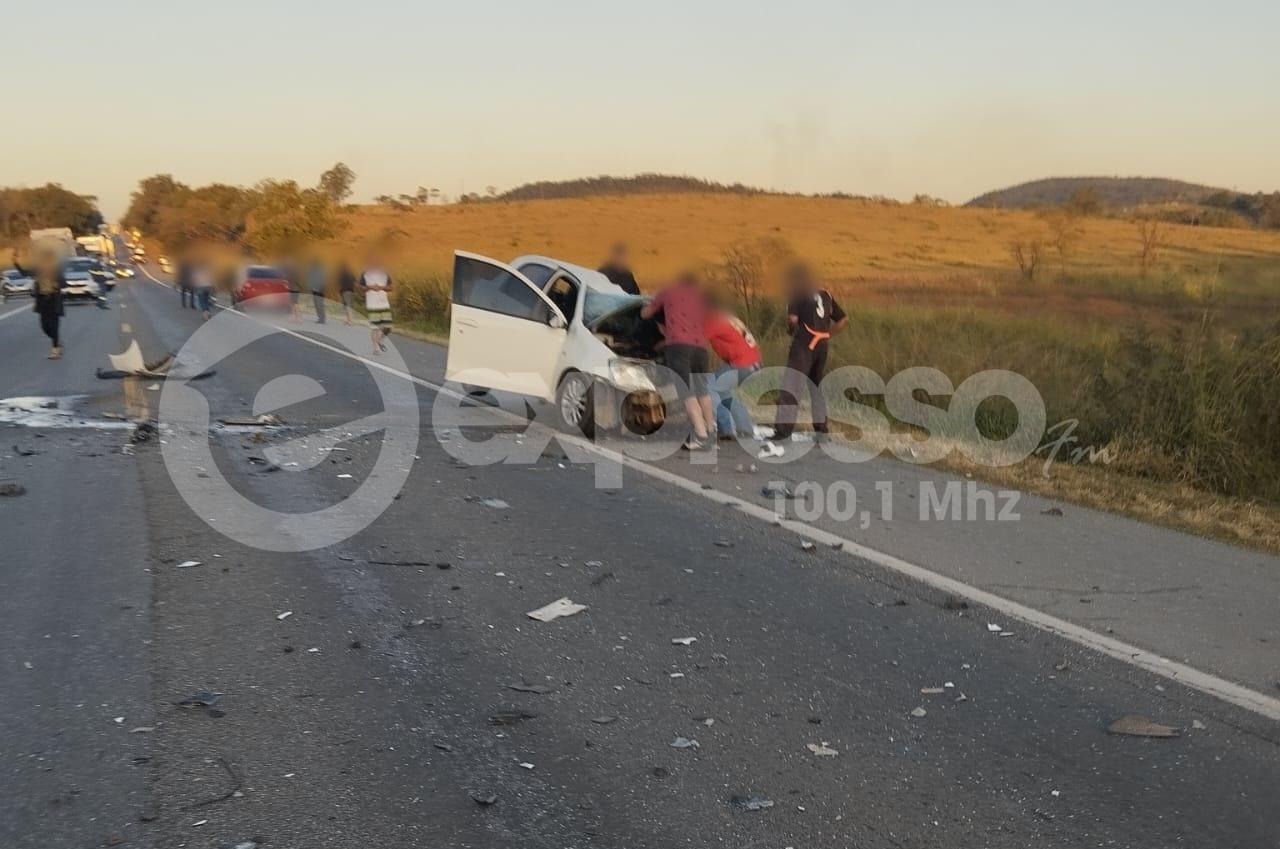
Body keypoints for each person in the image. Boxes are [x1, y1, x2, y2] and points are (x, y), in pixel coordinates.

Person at [773, 263, 848, 442]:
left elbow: (792, 320)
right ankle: (821, 429)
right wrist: (829, 333)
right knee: (816, 386)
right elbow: (843, 319)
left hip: (804, 344)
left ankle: (783, 429)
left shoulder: (797, 294)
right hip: (822, 344)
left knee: (792, 385)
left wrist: (791, 330)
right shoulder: (825, 294)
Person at [641, 271, 714, 449]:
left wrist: (646, 306)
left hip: (679, 347)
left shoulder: (668, 291)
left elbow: (646, 314)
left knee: (686, 393)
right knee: (703, 392)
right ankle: (711, 432)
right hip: (701, 348)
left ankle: (701, 436)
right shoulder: (700, 296)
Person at [705, 308, 764, 439]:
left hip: (743, 365)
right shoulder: (729, 320)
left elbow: (696, 339)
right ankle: (745, 428)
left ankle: (725, 428)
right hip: (755, 365)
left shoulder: (715, 323)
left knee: (709, 386)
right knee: (724, 393)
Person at [12, 247, 66, 359]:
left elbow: (64, 283)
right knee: (44, 326)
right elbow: (24, 272)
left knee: (54, 326)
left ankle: (55, 350)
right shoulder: (38, 270)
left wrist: (57, 284)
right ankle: (56, 341)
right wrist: (15, 261)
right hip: (42, 301)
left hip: (54, 300)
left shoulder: (57, 270)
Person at [360, 263, 393, 354]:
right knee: (375, 327)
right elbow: (361, 287)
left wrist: (381, 287)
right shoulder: (365, 274)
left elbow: (391, 287)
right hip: (372, 304)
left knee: (388, 327)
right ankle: (376, 349)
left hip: (384, 303)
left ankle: (380, 339)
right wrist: (369, 287)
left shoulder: (384, 274)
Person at [307, 259, 328, 324]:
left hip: (320, 290)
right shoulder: (312, 271)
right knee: (316, 304)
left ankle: (322, 319)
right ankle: (320, 318)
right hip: (314, 290)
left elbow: (324, 281)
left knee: (319, 305)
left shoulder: (321, 271)